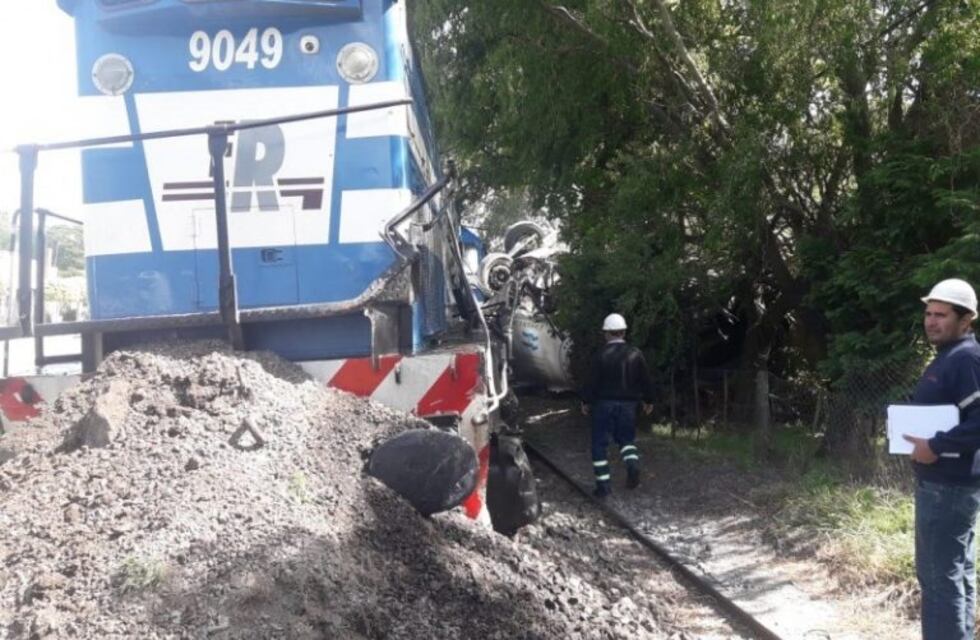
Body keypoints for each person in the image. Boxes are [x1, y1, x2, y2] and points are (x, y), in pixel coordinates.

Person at [903, 278, 980, 640]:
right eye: (928, 314)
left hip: (947, 487)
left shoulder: (966, 358)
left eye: (941, 315)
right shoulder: (951, 356)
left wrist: (934, 446)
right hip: (946, 484)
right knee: (955, 574)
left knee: (938, 579)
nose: (931, 321)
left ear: (966, 320)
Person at [580, 313, 654, 498]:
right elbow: (645, 380)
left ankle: (603, 487)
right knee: (626, 440)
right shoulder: (635, 353)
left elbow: (591, 382)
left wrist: (585, 401)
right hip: (628, 406)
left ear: (606, 333)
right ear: (624, 332)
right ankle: (632, 465)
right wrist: (649, 400)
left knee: (599, 445)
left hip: (603, 405)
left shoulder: (600, 355)